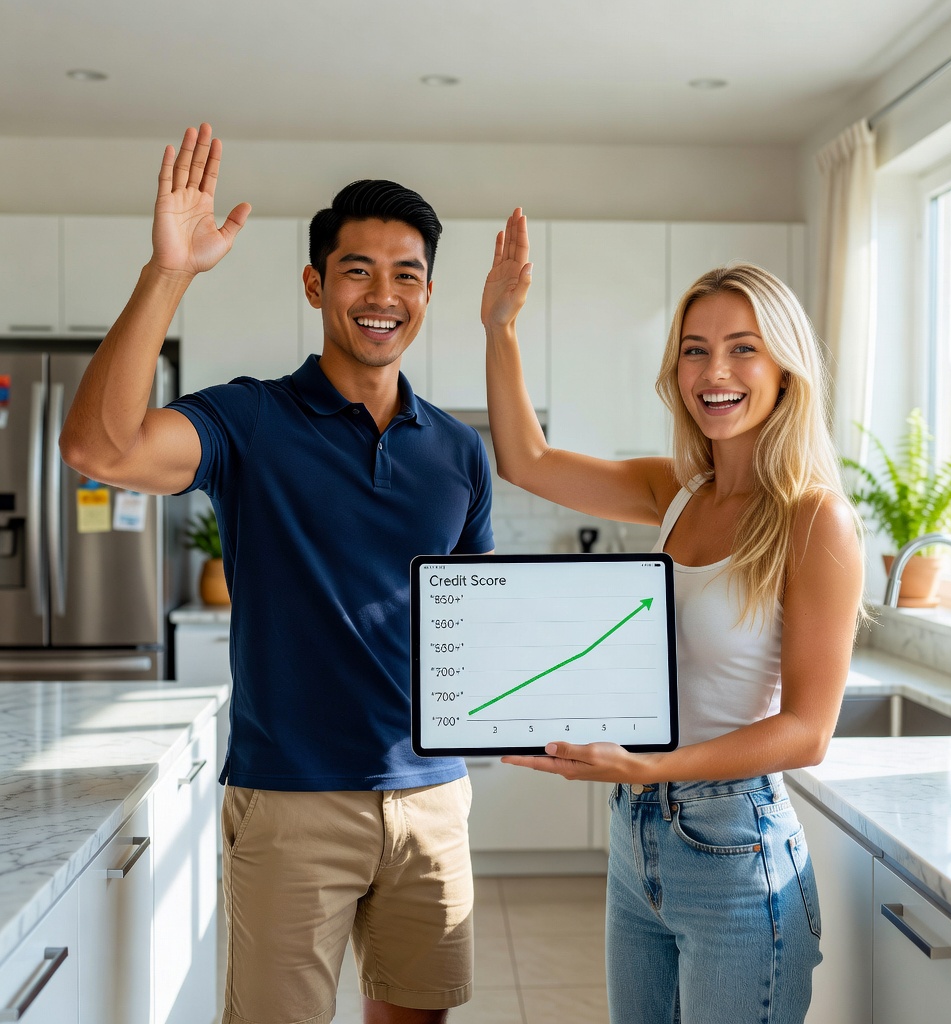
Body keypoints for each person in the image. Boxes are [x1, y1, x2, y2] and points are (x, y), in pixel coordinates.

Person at [59, 123, 494, 1024]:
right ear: (315, 284)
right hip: (293, 800)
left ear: (427, 294)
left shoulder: (458, 450)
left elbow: (479, 621)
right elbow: (96, 447)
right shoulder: (251, 419)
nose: (383, 294)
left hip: (432, 797)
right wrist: (168, 272)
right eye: (357, 270)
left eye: (406, 273)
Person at [480, 209, 864, 1024]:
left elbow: (808, 731)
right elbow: (527, 462)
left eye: (741, 347)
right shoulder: (677, 490)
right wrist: (500, 326)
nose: (713, 370)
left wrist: (649, 767)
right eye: (695, 349)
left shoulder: (812, 518)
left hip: (733, 845)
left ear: (786, 369)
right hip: (638, 839)